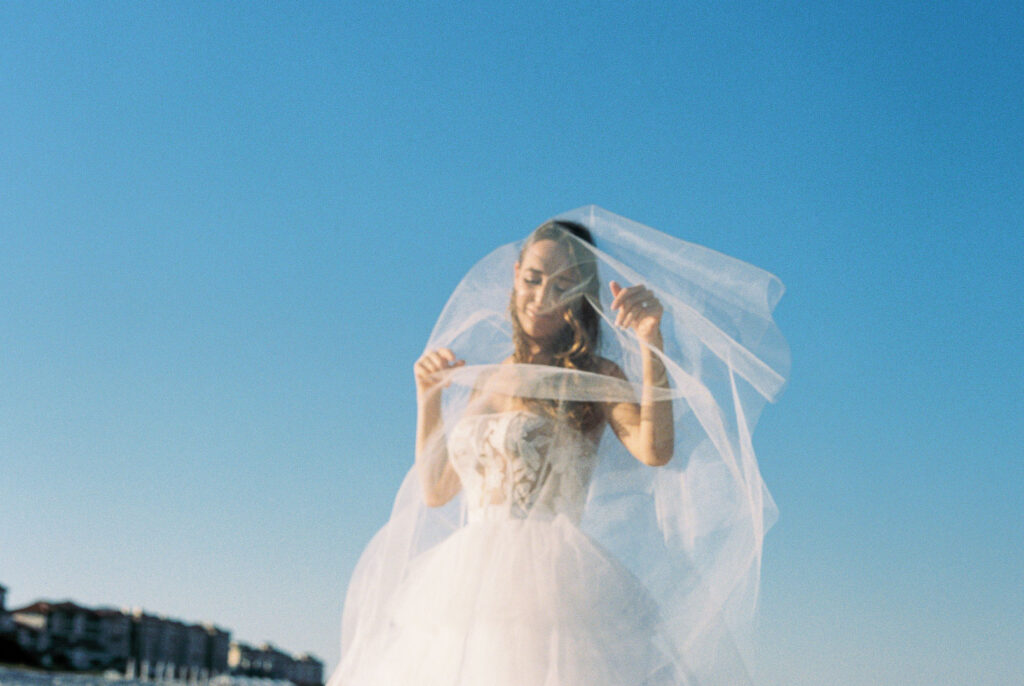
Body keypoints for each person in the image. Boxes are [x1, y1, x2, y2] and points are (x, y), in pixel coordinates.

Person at [329, 207, 789, 686]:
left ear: (581, 296)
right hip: (463, 583)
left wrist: (652, 342)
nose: (541, 298)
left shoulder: (592, 375)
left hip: (551, 584)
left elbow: (654, 449)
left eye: (562, 285)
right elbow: (437, 489)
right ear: (515, 275)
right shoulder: (487, 378)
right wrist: (428, 400)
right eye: (532, 279)